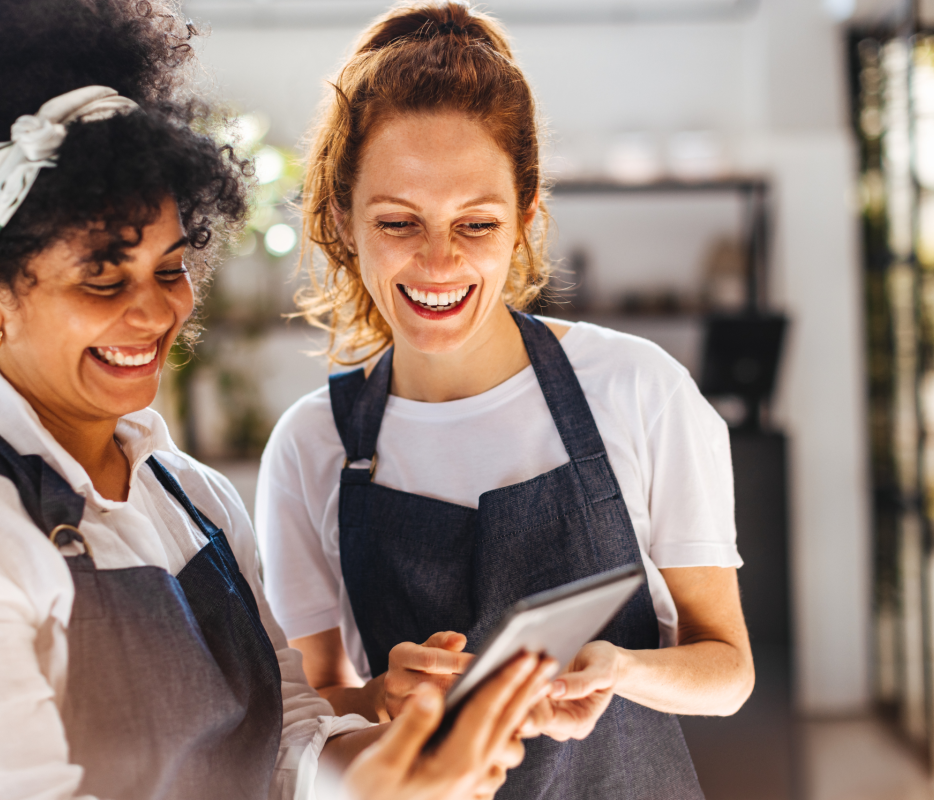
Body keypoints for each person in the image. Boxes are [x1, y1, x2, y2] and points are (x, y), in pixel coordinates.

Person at [0, 1, 553, 798]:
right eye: (103, 278)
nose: (154, 314)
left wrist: (390, 771)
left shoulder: (197, 501)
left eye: (170, 269)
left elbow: (285, 740)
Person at [255, 3, 756, 798]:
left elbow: (727, 670)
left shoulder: (635, 389)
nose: (439, 261)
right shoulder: (312, 444)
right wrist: (382, 697)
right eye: (398, 221)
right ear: (345, 224)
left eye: (476, 223)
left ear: (525, 218)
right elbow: (305, 704)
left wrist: (619, 668)